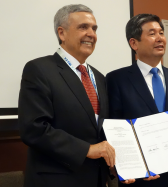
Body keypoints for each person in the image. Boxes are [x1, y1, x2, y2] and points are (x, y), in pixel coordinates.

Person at [18, 4, 115, 187]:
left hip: (97, 180)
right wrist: (87, 149)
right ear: (61, 33)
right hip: (56, 180)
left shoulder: (100, 78)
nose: (91, 34)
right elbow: (33, 129)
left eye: (94, 28)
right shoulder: (39, 69)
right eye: (83, 27)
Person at [106, 14, 168, 187]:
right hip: (140, 178)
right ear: (134, 43)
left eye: (161, 33)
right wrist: (125, 165)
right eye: (152, 34)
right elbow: (113, 126)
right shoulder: (117, 79)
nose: (160, 38)